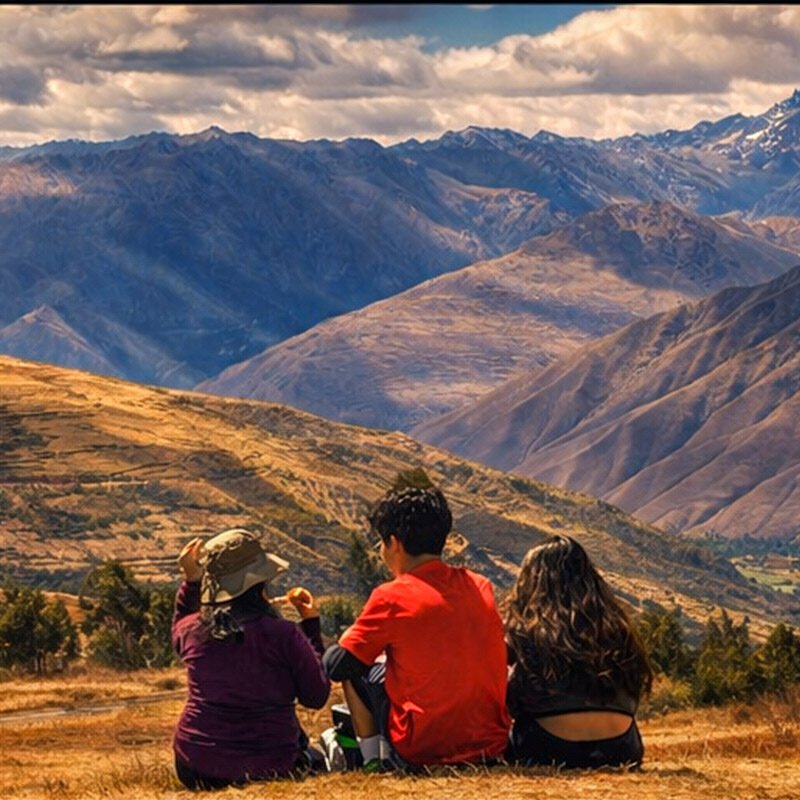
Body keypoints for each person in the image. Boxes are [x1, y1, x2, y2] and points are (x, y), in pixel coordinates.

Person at [323, 482, 511, 771]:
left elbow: (338, 667)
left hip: (423, 747)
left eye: (382, 542)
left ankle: (373, 760)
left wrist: (349, 636)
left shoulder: (392, 596)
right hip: (491, 744)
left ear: (395, 543)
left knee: (357, 671)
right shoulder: (480, 586)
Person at [171, 528, 330, 790]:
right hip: (272, 763)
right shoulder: (283, 634)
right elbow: (316, 696)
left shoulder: (192, 631)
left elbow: (180, 624)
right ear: (260, 581)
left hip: (196, 766)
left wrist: (191, 581)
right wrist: (311, 625)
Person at [503, 535, 653, 769]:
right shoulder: (616, 627)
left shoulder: (523, 629)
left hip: (546, 748)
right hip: (622, 748)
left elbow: (506, 696)